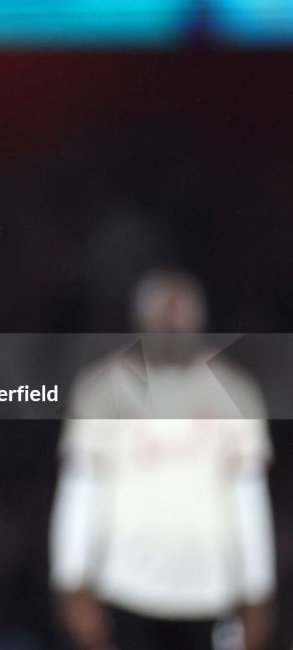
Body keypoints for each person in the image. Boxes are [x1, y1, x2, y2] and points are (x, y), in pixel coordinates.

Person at [50, 269, 276, 650]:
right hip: (124, 587)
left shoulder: (234, 392)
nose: (171, 328)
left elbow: (249, 499)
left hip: (209, 591)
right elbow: (80, 491)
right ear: (139, 321)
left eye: (180, 318)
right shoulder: (102, 389)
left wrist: (258, 592)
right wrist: (70, 582)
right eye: (161, 318)